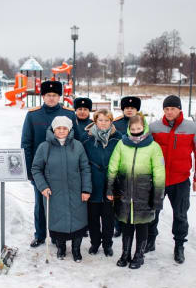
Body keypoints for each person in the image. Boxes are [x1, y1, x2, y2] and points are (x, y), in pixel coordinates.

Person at [147, 95, 196, 263]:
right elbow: (144, 151)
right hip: (158, 180)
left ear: (180, 109)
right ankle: (150, 240)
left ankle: (179, 245)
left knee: (180, 215)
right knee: (152, 212)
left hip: (180, 180)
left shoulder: (192, 128)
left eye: (172, 108)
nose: (169, 112)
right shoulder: (154, 127)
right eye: (166, 109)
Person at [21, 80, 75, 248]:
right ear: (42, 96)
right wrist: (30, 170)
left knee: (59, 204)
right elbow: (26, 143)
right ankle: (40, 235)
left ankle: (57, 235)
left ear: (60, 96)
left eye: (55, 95)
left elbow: (75, 141)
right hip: (41, 170)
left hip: (63, 169)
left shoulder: (69, 114)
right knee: (40, 205)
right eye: (48, 95)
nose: (51, 98)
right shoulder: (33, 115)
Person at [107, 114, 165, 269]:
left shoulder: (154, 147)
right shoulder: (122, 144)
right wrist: (110, 187)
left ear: (144, 127)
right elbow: (113, 167)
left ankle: (139, 255)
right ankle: (125, 253)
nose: (136, 131)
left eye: (139, 128)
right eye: (133, 129)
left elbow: (159, 173)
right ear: (128, 129)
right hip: (125, 192)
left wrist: (158, 197)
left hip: (144, 194)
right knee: (126, 224)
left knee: (142, 225)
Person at [31, 116, 91, 262]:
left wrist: (86, 189)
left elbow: (85, 168)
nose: (62, 131)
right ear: (53, 129)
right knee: (57, 221)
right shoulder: (44, 147)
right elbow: (36, 169)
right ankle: (61, 248)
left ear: (69, 129)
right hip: (54, 192)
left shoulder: (77, 146)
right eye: (59, 128)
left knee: (78, 220)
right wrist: (43, 186)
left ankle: (76, 250)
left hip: (76, 192)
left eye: (65, 128)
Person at [81, 109, 122, 256]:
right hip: (92, 184)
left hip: (110, 184)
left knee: (108, 218)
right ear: (95, 121)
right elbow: (82, 162)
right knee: (93, 218)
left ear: (111, 121)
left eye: (106, 120)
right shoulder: (86, 139)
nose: (103, 123)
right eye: (100, 120)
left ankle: (107, 244)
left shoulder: (119, 139)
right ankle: (95, 243)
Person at [112, 96, 141, 237]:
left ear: (137, 110)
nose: (129, 110)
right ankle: (119, 226)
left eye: (132, 108)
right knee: (119, 197)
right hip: (120, 166)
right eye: (127, 108)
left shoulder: (143, 123)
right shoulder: (116, 123)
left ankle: (134, 224)